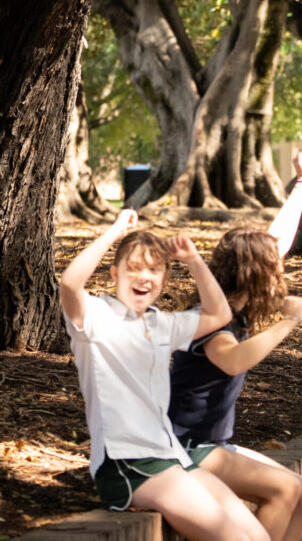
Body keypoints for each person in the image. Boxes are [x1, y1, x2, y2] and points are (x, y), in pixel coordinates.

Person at [60, 211, 268, 541]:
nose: (144, 277)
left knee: (258, 537)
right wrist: (114, 231)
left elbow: (219, 314)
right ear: (115, 273)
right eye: (134, 268)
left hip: (170, 455)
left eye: (154, 270)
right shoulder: (95, 317)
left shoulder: (162, 324)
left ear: (164, 279)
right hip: (126, 462)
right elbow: (70, 283)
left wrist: (194, 259)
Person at [169, 151, 302, 541]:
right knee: (286, 490)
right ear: (255, 275)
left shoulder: (231, 307)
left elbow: (277, 240)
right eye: (275, 268)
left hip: (213, 443)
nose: (281, 271)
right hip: (188, 448)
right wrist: (289, 320)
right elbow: (233, 361)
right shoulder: (212, 319)